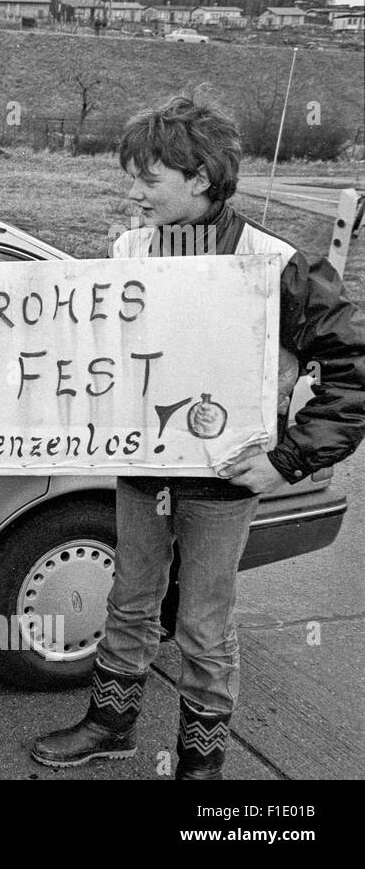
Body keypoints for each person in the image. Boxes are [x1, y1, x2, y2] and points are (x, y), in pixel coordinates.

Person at [31, 96, 365, 780]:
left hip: (226, 477)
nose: (133, 192)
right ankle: (112, 722)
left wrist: (287, 460)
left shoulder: (278, 263)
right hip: (144, 468)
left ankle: (200, 762)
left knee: (205, 624)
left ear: (202, 178)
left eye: (148, 179)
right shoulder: (130, 249)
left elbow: (354, 374)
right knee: (128, 599)